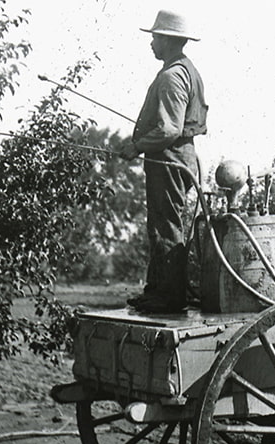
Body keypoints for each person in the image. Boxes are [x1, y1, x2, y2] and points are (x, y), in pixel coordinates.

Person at [121, 10, 208, 313]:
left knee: (165, 226)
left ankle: (168, 297)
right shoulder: (184, 70)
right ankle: (158, 291)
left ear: (168, 41)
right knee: (164, 223)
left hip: (168, 158)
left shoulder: (172, 76)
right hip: (178, 158)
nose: (152, 43)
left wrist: (137, 146)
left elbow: (169, 129)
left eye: (155, 37)